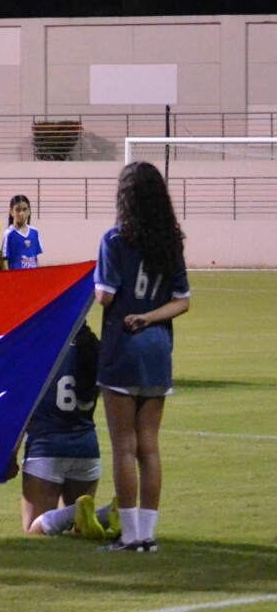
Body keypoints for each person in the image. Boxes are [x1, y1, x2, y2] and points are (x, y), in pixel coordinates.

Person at [95, 161, 191, 553]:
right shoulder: (171, 241)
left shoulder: (115, 239)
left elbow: (105, 295)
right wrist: (150, 317)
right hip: (158, 351)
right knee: (149, 446)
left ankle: (131, 535)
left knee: (124, 446)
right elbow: (182, 302)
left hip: (122, 348)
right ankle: (148, 536)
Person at [16, 327, 106, 537]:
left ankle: (84, 510)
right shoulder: (94, 351)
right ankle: (108, 514)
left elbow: (24, 412)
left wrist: (11, 454)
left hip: (46, 450)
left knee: (33, 529)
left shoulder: (42, 352)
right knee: (80, 527)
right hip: (88, 450)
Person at [3, 194, 43, 271]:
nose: (21, 213)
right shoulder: (9, 234)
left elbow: (35, 258)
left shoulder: (34, 232)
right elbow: (4, 260)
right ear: (11, 212)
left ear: (29, 211)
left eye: (24, 210)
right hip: (17, 278)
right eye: (18, 210)